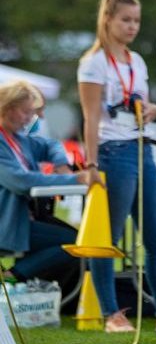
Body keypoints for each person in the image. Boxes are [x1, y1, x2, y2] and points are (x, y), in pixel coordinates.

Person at [77, 0, 156, 333]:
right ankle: (112, 314)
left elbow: (142, 104)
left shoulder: (138, 61)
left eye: (136, 21)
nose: (132, 27)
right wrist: (92, 165)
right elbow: (89, 118)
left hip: (143, 149)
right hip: (113, 154)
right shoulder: (93, 63)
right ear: (108, 20)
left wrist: (152, 110)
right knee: (108, 239)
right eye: (125, 20)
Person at [0, 81, 96, 282]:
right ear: (7, 109)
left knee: (78, 240)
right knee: (78, 242)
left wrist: (61, 163)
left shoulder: (18, 139)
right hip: (7, 224)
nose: (30, 119)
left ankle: (19, 278)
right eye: (26, 112)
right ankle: (14, 275)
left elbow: (52, 145)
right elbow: (20, 181)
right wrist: (73, 178)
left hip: (19, 222)